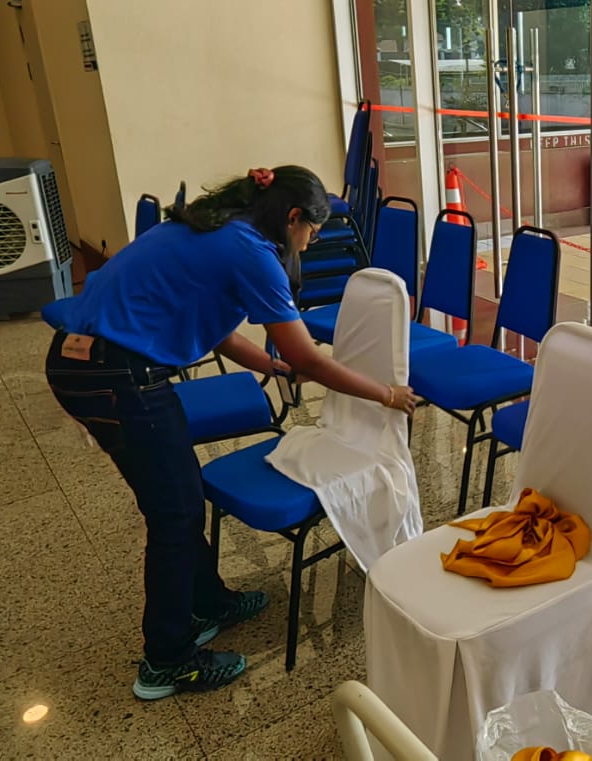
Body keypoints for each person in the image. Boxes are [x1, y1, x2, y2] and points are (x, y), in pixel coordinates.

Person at [44, 165, 417, 700]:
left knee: (177, 497)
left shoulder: (216, 225)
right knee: (175, 514)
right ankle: (167, 661)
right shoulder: (253, 253)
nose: (309, 244)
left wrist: (271, 366)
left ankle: (207, 602)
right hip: (115, 375)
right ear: (293, 217)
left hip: (90, 364)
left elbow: (219, 329)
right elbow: (308, 358)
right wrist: (386, 394)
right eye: (311, 232)